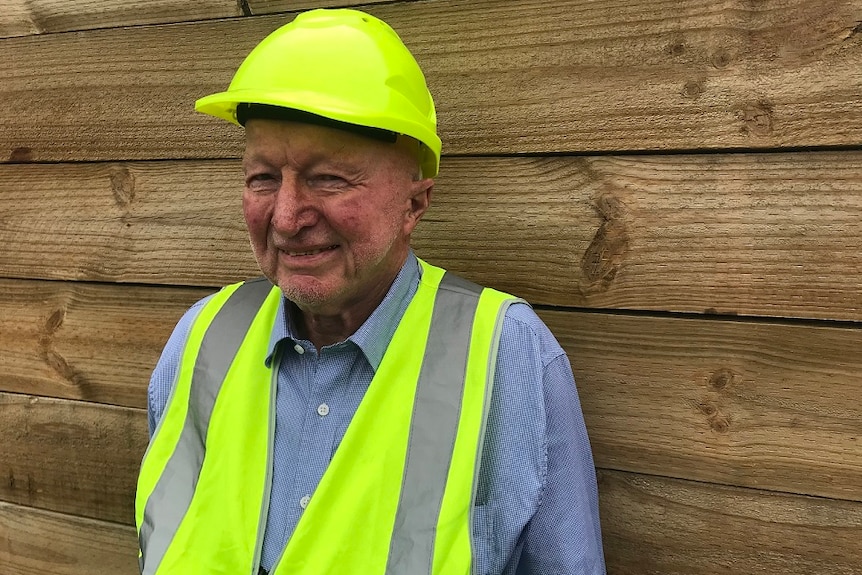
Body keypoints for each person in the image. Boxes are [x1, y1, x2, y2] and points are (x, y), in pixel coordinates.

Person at [135, 8, 605, 575]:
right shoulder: (201, 340)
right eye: (262, 177)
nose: (285, 217)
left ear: (415, 203)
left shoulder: (507, 356)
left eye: (328, 178)